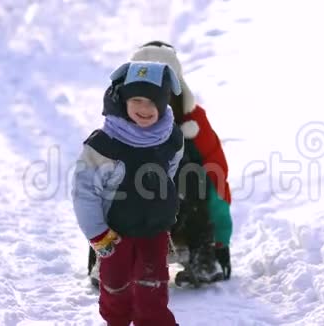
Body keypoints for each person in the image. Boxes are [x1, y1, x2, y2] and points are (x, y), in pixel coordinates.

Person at [87, 40, 234, 288]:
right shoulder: (118, 127)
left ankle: (201, 257)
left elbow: (216, 179)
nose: (149, 106)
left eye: (160, 93)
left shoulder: (193, 124)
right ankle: (112, 259)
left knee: (194, 174)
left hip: (182, 220)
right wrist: (98, 249)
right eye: (141, 96)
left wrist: (220, 243)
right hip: (130, 223)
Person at [72, 60, 183, 326]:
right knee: (116, 288)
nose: (144, 109)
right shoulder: (104, 145)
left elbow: (171, 168)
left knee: (153, 289)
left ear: (163, 102)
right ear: (122, 100)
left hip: (153, 231)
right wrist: (98, 234)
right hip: (114, 235)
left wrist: (160, 204)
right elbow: (85, 193)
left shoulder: (170, 137)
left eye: (152, 102)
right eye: (137, 100)